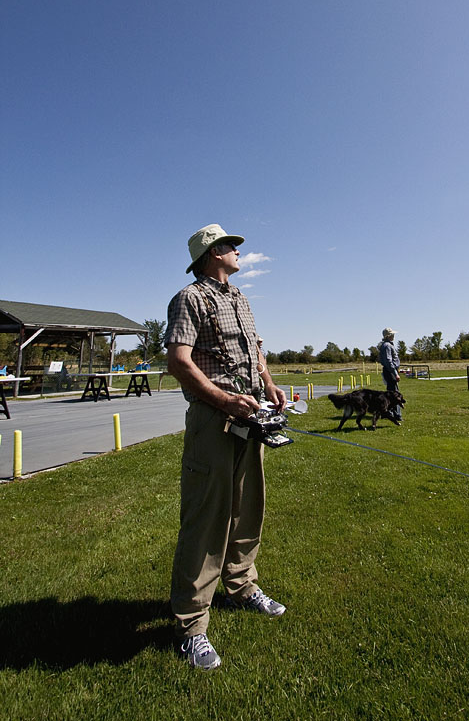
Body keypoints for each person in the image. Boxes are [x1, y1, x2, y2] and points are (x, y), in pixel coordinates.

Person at [165, 223, 287, 671]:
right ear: (214, 252)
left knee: (247, 506)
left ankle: (241, 585)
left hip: (250, 419)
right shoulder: (189, 298)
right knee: (206, 516)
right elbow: (178, 360)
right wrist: (222, 399)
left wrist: (268, 384)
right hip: (213, 421)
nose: (238, 251)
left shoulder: (239, 298)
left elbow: (255, 350)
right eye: (231, 246)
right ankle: (191, 625)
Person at [379, 327, 403, 422]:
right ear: (388, 336)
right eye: (392, 334)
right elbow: (389, 361)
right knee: (394, 394)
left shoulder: (387, 345)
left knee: (392, 393)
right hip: (390, 371)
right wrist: (395, 373)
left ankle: (392, 413)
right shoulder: (387, 346)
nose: (394, 335)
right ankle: (395, 415)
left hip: (390, 371)